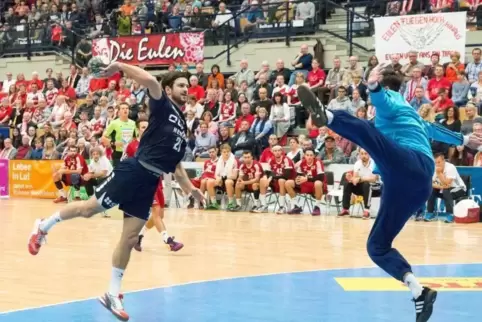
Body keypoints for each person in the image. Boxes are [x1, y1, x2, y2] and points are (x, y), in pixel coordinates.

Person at [295, 64, 482, 322]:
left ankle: (327, 116)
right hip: (415, 185)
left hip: (408, 163)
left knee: (366, 131)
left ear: (385, 86)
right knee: (377, 246)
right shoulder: (412, 115)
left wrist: (373, 87)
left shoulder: (390, 101)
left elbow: (383, 102)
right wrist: (462, 140)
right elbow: (434, 130)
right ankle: (419, 292)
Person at [28, 65, 203, 322]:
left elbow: (176, 167)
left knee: (130, 238)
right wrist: (118, 66)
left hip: (150, 182)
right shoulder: (162, 105)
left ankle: (112, 293)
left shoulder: (182, 126)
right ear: (168, 89)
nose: (186, 89)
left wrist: (192, 190)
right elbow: (149, 79)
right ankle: (43, 226)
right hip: (133, 171)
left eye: (187, 86)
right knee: (89, 209)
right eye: (180, 85)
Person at [123, 118, 184, 252]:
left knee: (159, 215)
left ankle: (139, 235)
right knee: (156, 213)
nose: (146, 129)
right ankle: (169, 241)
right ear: (138, 129)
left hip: (158, 181)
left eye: (147, 126)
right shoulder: (132, 146)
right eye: (143, 127)